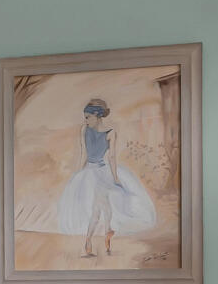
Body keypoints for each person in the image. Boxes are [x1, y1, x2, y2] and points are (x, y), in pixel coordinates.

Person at [55, 97, 157, 259]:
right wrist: (79, 174)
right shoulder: (84, 130)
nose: (86, 120)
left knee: (99, 208)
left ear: (97, 115)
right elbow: (84, 155)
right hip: (90, 172)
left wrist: (116, 177)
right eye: (85, 117)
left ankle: (89, 242)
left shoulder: (110, 133)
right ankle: (106, 232)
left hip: (103, 173)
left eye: (88, 117)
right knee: (102, 207)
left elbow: (112, 157)